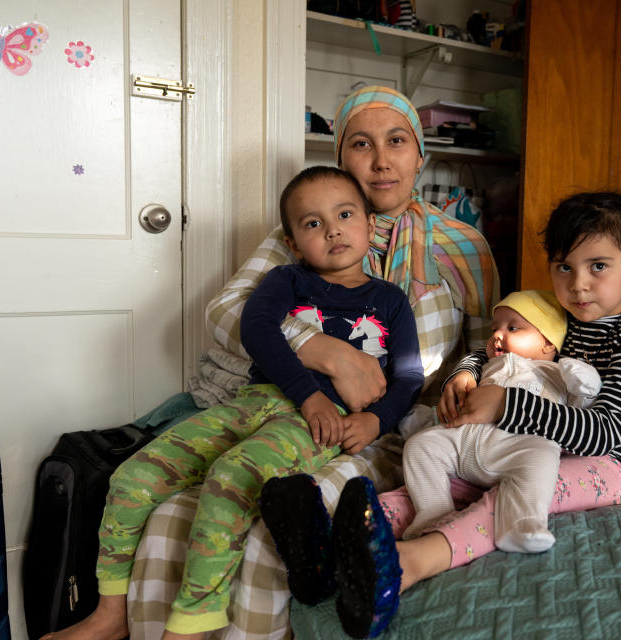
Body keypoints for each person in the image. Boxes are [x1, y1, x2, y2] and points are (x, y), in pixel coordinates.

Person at [257, 190, 621, 638]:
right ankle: (325, 548)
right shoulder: (578, 312)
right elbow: (498, 347)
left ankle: (412, 563)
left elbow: (603, 434)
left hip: (615, 463)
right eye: (564, 267)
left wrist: (505, 403)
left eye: (598, 266)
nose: (577, 284)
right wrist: (465, 373)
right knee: (443, 479)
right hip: (535, 441)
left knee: (517, 495)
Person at [42, 166, 424, 640]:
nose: (332, 230)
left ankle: (191, 625)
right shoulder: (286, 280)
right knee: (132, 477)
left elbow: (408, 377)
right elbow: (256, 329)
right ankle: (111, 613)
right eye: (312, 223)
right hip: (254, 402)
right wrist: (307, 395)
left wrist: (374, 420)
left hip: (319, 426)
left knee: (231, 480)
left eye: (345, 214)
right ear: (292, 240)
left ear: (369, 223)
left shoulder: (390, 301)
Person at [205, 85, 499, 409]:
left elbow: (486, 349)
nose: (381, 161)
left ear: (419, 156)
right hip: (312, 414)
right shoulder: (311, 232)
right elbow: (223, 310)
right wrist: (325, 351)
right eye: (361, 144)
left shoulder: (465, 244)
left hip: (419, 422)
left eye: (397, 140)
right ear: (340, 159)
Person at [398, 289, 601, 550]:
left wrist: (584, 381)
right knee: (420, 446)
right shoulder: (486, 365)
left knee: (544, 456)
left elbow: (580, 408)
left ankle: (522, 524)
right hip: (465, 443)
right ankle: (434, 513)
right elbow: (464, 383)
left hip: (516, 449)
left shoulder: (556, 372)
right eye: (495, 328)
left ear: (548, 343)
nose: (497, 335)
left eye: (513, 328)